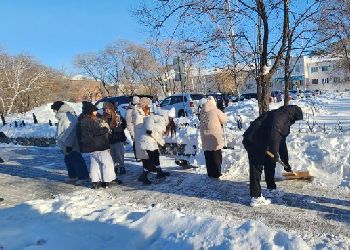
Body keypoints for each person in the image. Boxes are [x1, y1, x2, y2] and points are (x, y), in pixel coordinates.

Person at [242, 105, 303, 207]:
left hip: (263, 141)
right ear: (293, 116)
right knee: (256, 166)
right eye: (296, 120)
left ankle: (271, 188)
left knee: (270, 163)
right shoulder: (280, 117)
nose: (295, 122)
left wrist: (285, 161)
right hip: (253, 140)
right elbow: (274, 135)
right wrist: (274, 153)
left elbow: (281, 142)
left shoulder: (285, 119)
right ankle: (255, 197)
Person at [77, 101, 119, 189]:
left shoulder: (82, 120)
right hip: (99, 145)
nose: (96, 112)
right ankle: (109, 180)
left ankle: (95, 182)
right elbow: (98, 131)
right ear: (90, 111)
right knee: (107, 163)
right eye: (94, 111)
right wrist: (105, 128)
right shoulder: (89, 121)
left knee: (95, 164)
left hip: (90, 147)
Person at [51, 101, 89, 185]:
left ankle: (83, 176)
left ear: (58, 109)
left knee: (76, 159)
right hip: (66, 143)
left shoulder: (67, 116)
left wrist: (68, 144)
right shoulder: (64, 116)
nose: (53, 111)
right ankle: (73, 176)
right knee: (68, 160)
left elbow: (70, 131)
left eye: (54, 109)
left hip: (71, 143)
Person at [133, 97, 170, 184]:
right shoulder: (137, 114)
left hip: (149, 138)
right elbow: (143, 126)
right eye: (148, 105)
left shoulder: (143, 112)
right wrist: (151, 123)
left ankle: (159, 171)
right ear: (144, 105)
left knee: (155, 155)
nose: (150, 107)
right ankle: (143, 176)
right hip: (143, 139)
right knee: (147, 159)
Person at [199, 96, 227, 178]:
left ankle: (210, 172)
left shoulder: (202, 111)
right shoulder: (215, 110)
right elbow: (224, 119)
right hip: (214, 135)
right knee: (216, 155)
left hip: (205, 135)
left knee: (208, 155)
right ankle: (217, 173)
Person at [103, 102, 127, 175]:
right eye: (105, 109)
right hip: (109, 139)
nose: (107, 110)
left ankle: (121, 166)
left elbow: (124, 125)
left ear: (111, 109)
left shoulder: (117, 116)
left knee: (119, 154)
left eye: (108, 109)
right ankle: (115, 167)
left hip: (118, 138)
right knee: (112, 155)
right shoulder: (104, 117)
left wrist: (120, 125)